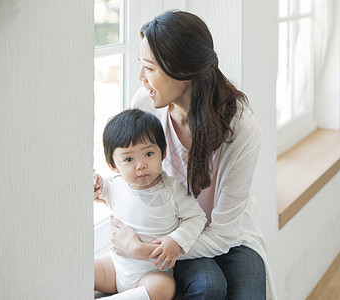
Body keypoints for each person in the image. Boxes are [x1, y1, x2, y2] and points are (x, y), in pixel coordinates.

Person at [109, 10, 277, 300]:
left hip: (230, 236)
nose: (141, 78)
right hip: (171, 230)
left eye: (149, 68)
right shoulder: (147, 105)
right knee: (207, 286)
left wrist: (142, 251)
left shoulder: (241, 131)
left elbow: (224, 234)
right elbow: (129, 170)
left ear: (183, 72)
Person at [93, 108, 206, 300]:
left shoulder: (172, 189)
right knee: (82, 269)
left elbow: (197, 217)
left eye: (148, 154)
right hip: (116, 265)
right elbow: (100, 188)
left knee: (163, 289)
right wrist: (95, 182)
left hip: (152, 273)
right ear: (113, 164)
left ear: (162, 153)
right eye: (128, 159)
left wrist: (177, 240)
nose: (140, 165)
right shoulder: (116, 185)